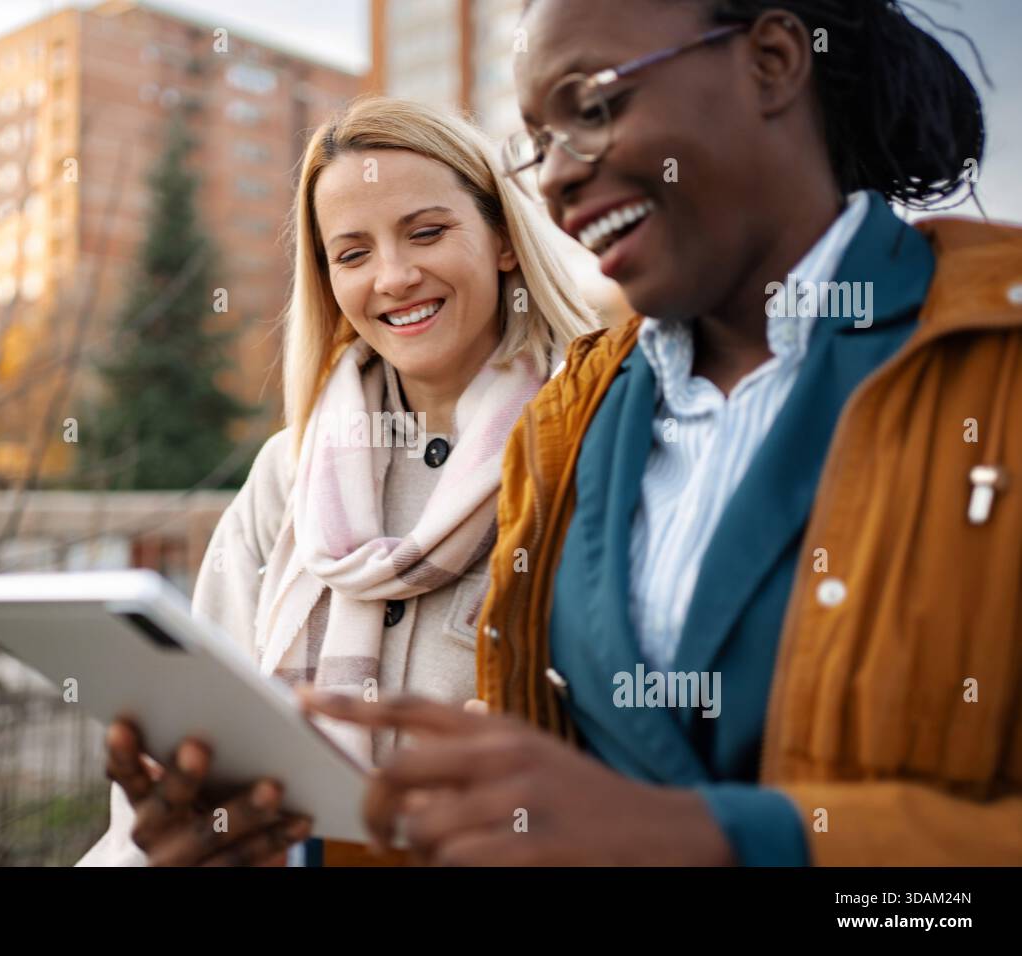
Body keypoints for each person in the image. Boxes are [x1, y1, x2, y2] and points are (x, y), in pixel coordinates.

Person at [304, 0, 1022, 865]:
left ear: (771, 61)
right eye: (537, 144)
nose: (555, 178)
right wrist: (289, 845)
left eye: (593, 108)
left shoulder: (998, 369)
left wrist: (726, 842)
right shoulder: (564, 427)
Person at [78, 95, 597, 866]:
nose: (393, 276)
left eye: (426, 232)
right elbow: (201, 730)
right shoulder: (288, 473)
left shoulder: (592, 444)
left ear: (502, 240)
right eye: (352, 254)